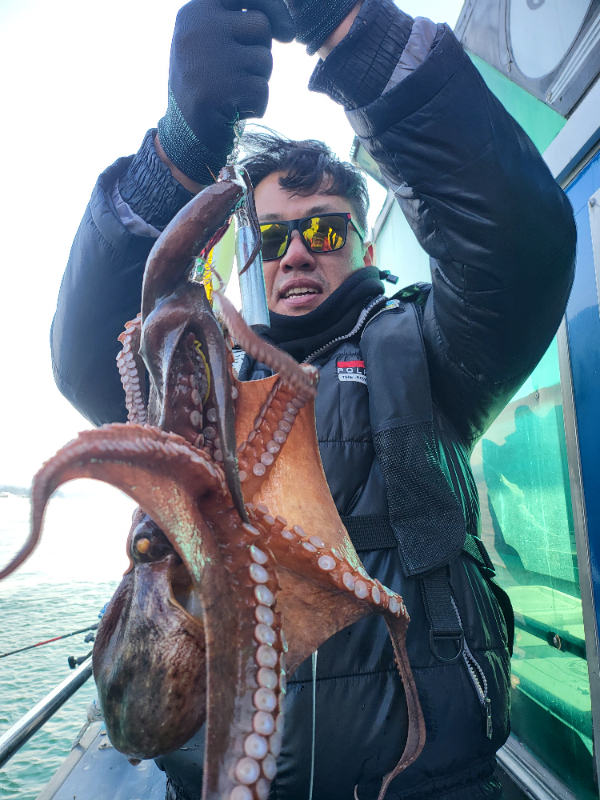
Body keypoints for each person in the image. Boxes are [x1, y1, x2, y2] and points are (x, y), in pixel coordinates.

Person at [51, 0, 576, 798]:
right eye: (271, 237)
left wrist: (360, 37)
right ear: (249, 256)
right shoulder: (202, 385)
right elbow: (89, 355)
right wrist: (175, 160)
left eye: (324, 231)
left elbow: (519, 249)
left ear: (363, 244)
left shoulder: (434, 351)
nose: (296, 252)